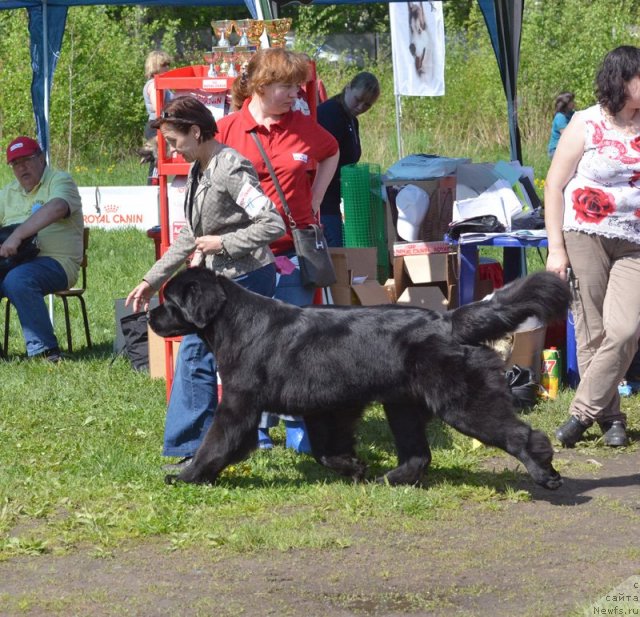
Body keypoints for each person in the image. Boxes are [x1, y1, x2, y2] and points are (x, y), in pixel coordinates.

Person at [126, 96, 286, 471]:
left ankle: (194, 452)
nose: (171, 149)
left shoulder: (230, 167)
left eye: (175, 141)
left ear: (196, 132)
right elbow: (192, 236)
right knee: (216, 362)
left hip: (247, 280)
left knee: (196, 356)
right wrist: (152, 279)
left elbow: (272, 223)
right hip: (221, 284)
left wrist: (224, 243)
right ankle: (226, 444)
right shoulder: (200, 167)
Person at [217, 48, 340, 450]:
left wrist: (317, 197)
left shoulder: (304, 127)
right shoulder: (227, 130)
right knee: (250, 347)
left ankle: (299, 427)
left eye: (298, 85)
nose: (295, 93)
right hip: (243, 256)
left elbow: (332, 151)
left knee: (295, 344)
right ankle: (254, 428)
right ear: (262, 85)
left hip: (291, 251)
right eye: (287, 86)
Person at [545, 46, 640, 449]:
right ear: (623, 82)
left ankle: (581, 412)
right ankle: (611, 419)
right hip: (584, 235)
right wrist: (555, 249)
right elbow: (553, 185)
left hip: (634, 242)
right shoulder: (585, 122)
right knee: (592, 330)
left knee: (625, 329)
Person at [0, 136, 84, 362]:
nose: (21, 167)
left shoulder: (60, 181)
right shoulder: (7, 193)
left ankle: (45, 352)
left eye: (26, 160)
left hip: (56, 263)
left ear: (41, 157)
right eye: (15, 163)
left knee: (18, 280)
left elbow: (57, 207)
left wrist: (16, 236)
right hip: (14, 262)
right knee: (15, 275)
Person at [317, 72, 380, 247]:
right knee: (336, 250)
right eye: (357, 99)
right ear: (348, 88)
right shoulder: (329, 114)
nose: (360, 107)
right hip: (324, 202)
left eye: (367, 105)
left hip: (339, 198)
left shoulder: (351, 119)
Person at [141, 50, 173, 184]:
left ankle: (156, 189)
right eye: (164, 64)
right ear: (155, 66)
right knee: (157, 164)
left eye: (168, 64)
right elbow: (158, 108)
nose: (167, 67)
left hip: (158, 124)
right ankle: (154, 191)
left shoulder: (160, 83)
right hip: (156, 126)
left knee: (158, 161)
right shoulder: (154, 84)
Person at [547, 91, 576, 158]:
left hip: (566, 147)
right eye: (572, 101)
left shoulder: (572, 114)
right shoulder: (560, 117)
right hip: (556, 149)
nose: (574, 103)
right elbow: (566, 135)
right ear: (566, 103)